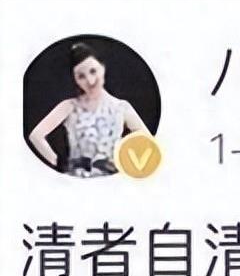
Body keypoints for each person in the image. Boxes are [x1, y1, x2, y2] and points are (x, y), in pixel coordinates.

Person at [27, 41, 151, 177]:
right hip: (76, 180)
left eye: (93, 71)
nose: (90, 81)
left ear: (102, 68)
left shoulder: (122, 108)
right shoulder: (69, 106)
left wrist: (124, 163)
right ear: (75, 79)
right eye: (81, 76)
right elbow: (36, 136)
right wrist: (59, 164)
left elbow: (148, 144)